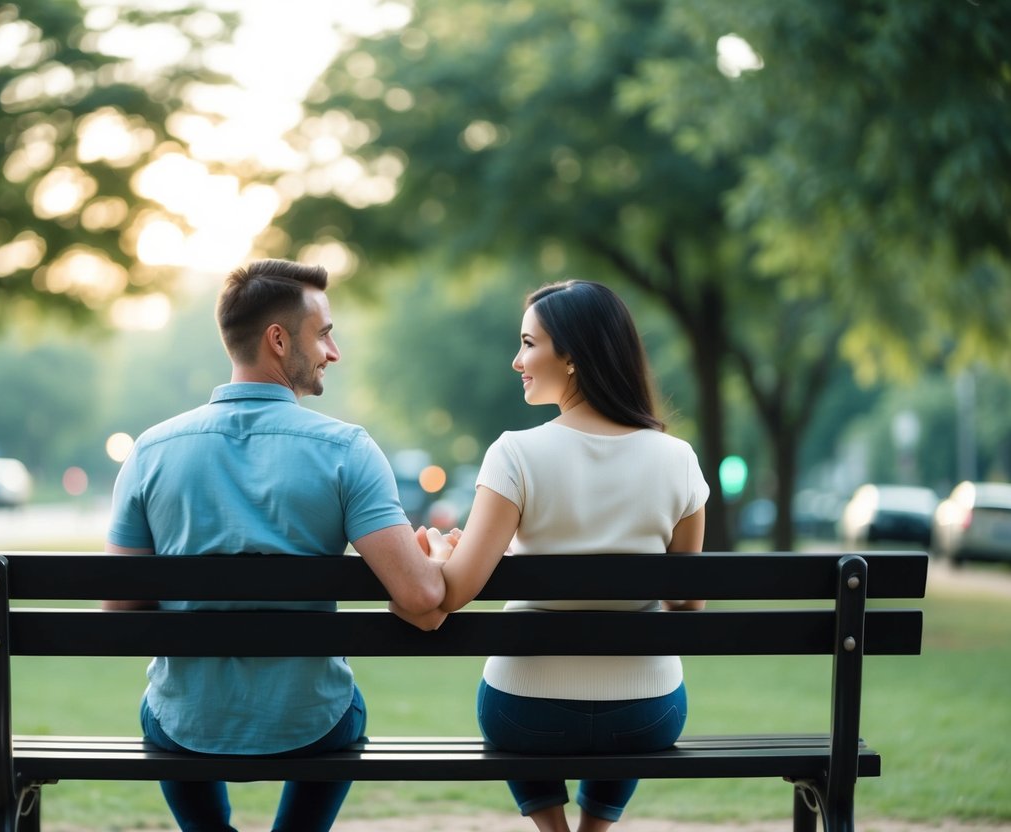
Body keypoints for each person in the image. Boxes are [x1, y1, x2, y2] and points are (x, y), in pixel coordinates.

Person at [103, 258, 446, 832]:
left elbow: (117, 615)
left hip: (184, 724)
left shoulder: (150, 452)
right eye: (325, 334)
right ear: (278, 339)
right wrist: (433, 558)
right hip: (312, 722)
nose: (332, 352)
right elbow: (418, 596)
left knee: (163, 709)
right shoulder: (347, 451)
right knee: (344, 707)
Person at [411, 279, 709, 832]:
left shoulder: (515, 455)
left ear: (570, 356)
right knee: (639, 683)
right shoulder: (679, 459)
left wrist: (433, 548)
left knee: (512, 698)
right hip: (647, 716)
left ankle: (555, 831)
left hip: (525, 714)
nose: (516, 359)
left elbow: (453, 591)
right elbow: (687, 607)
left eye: (528, 343)